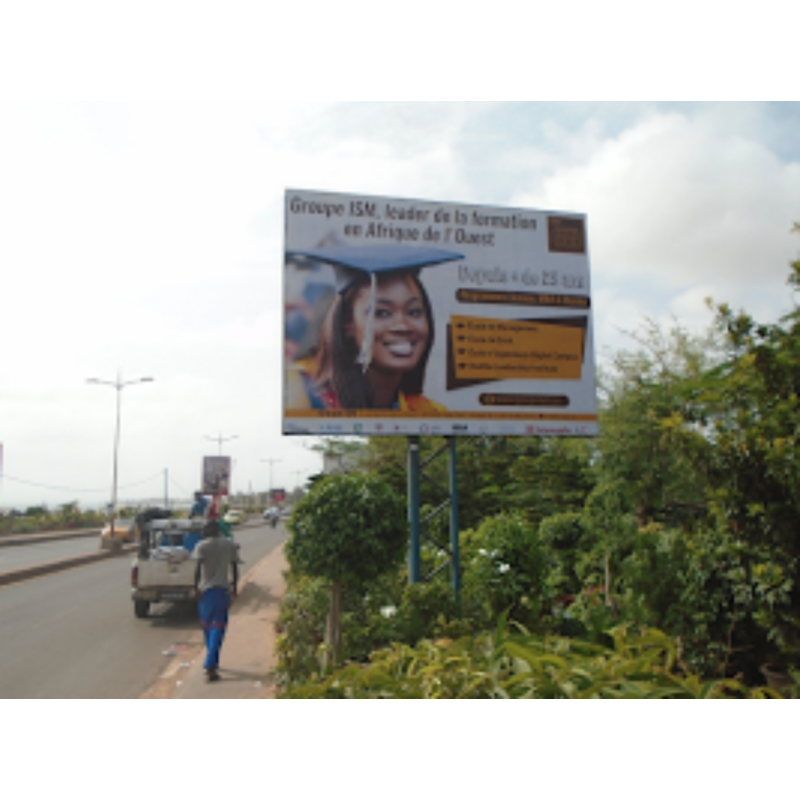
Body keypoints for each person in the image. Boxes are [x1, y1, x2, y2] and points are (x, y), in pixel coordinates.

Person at [285, 244, 463, 410]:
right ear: (347, 324)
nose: (403, 326)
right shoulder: (300, 395)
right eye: (382, 313)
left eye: (414, 312)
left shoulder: (428, 412)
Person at [192, 519, 242, 682]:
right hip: (222, 591)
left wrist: (195, 588)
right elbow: (234, 567)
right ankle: (211, 664)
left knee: (207, 628)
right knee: (218, 629)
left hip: (206, 592)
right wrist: (235, 587)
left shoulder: (202, 546)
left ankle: (211, 662)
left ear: (208, 531)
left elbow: (197, 570)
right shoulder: (229, 545)